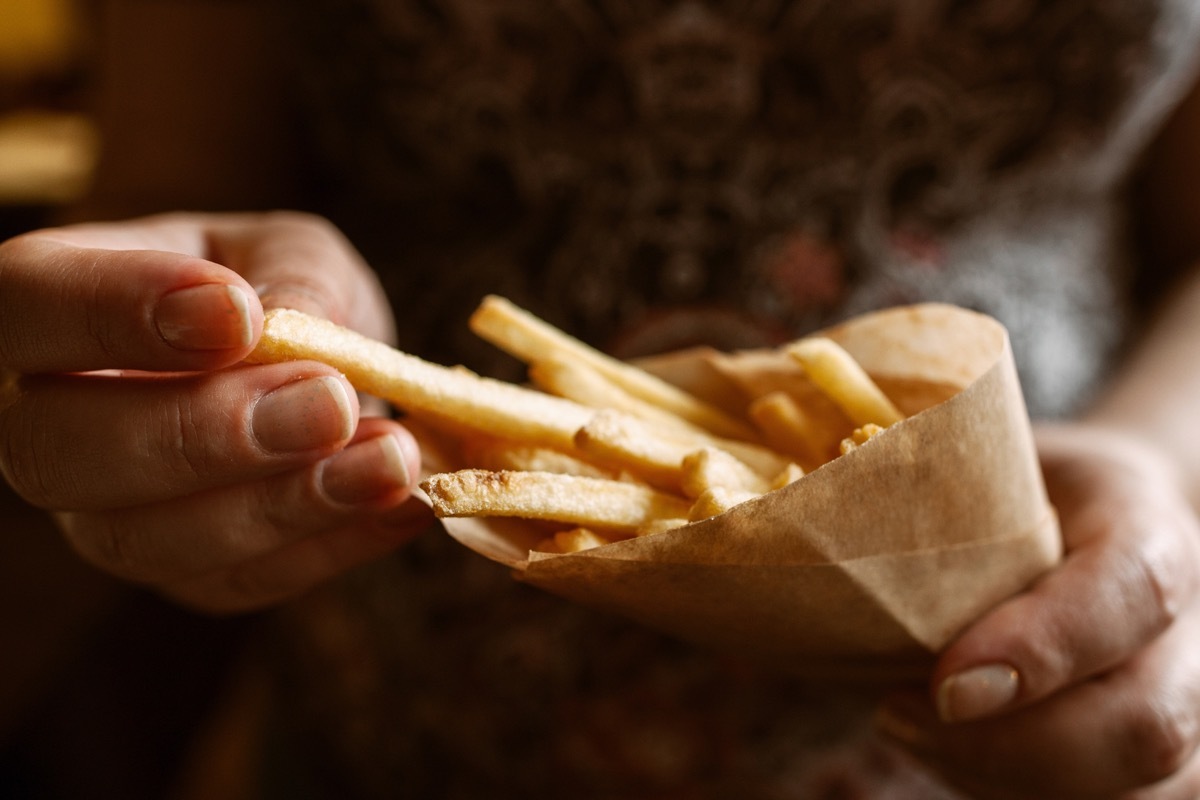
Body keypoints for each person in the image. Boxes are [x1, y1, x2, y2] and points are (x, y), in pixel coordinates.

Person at [3, 0, 1200, 797]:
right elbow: (180, 170)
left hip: (1029, 700)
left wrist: (1156, 464)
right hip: (401, 717)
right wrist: (173, 345)